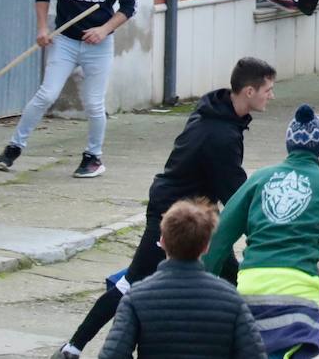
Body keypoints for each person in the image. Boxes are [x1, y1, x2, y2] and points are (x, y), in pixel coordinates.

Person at [54, 58, 277, 359]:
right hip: (174, 216)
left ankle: (250, 343)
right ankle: (72, 348)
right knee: (132, 283)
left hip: (195, 211)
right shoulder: (220, 135)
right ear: (249, 91)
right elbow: (237, 194)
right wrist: (265, 227)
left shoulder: (215, 108)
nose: (271, 96)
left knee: (231, 277)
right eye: (268, 90)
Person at [204, 105, 319, 359]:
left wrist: (204, 289)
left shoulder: (259, 179)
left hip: (251, 289)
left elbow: (219, 237)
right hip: (298, 296)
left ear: (289, 144)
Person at [0, 0, 136, 178]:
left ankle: (93, 157)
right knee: (46, 94)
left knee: (94, 104)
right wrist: (42, 28)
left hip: (99, 46)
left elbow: (130, 5)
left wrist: (104, 29)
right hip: (66, 41)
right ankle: (14, 146)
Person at [98, 198, 266, 359]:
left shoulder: (136, 297)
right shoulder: (231, 300)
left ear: (162, 241)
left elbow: (113, 354)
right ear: (206, 246)